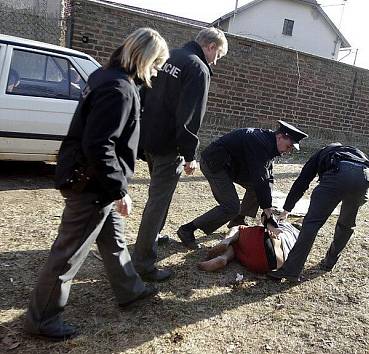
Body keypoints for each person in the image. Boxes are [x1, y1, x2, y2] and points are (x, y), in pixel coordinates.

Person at [23, 28, 169, 341]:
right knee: (68, 254)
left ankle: (130, 289)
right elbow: (99, 144)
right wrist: (119, 189)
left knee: (113, 239)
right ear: (144, 58)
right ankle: (41, 319)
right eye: (156, 64)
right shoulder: (118, 88)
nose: (156, 71)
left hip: (94, 181)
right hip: (91, 186)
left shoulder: (107, 77)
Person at [132, 27, 228, 282]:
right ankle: (143, 263)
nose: (216, 60)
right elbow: (189, 116)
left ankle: (152, 238)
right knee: (158, 201)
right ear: (209, 46)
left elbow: (144, 92)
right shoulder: (198, 68)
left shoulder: (169, 56)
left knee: (157, 196)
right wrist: (189, 154)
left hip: (150, 138)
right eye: (217, 54)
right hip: (169, 146)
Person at [177, 120, 307, 249]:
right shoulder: (260, 142)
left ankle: (237, 220)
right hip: (214, 164)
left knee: (258, 189)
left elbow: (268, 177)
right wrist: (266, 209)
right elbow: (259, 175)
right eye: (289, 146)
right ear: (280, 137)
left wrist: (269, 211)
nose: (288, 151)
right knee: (231, 206)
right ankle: (187, 229)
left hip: (232, 166)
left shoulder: (270, 144)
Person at [267, 143, 369, 281]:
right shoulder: (354, 152)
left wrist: (287, 209)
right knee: (346, 225)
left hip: (338, 174)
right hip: (365, 178)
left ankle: (291, 270)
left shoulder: (321, 154)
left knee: (311, 223)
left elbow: (302, 182)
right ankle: (329, 263)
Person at [197, 213, 299, 273]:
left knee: (238, 228)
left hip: (266, 242)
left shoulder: (285, 225)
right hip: (268, 265)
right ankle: (223, 258)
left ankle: (226, 244)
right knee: (238, 247)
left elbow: (264, 220)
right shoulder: (301, 239)